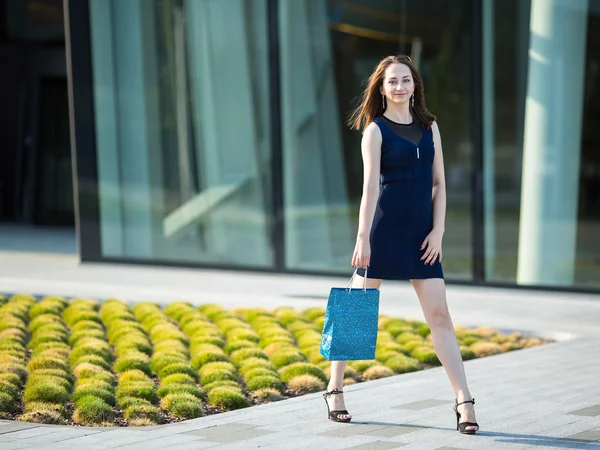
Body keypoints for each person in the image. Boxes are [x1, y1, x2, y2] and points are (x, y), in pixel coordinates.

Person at [322, 55, 479, 434]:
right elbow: (370, 188)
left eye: (405, 80)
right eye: (392, 81)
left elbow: (439, 183)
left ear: (414, 85)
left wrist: (438, 230)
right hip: (381, 232)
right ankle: (335, 389)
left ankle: (464, 401)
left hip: (422, 237)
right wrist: (362, 239)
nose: (399, 87)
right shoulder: (375, 131)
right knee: (356, 310)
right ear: (381, 87)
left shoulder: (430, 127)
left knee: (440, 317)